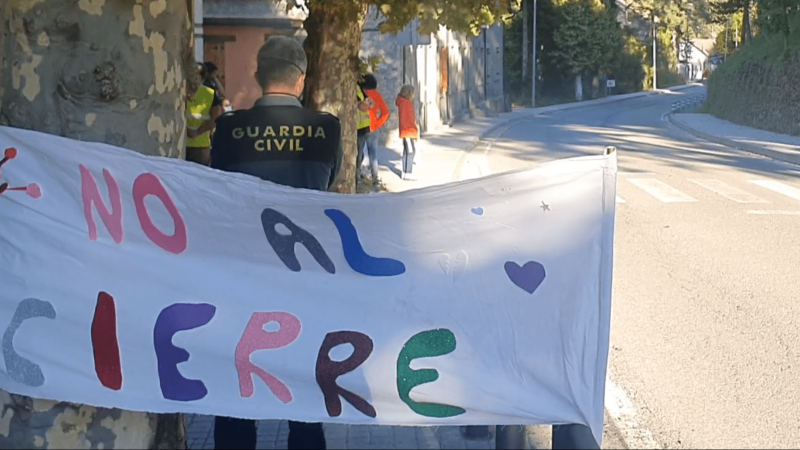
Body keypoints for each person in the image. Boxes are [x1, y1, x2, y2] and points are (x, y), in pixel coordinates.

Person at [210, 35, 341, 450]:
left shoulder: (229, 130)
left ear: (258, 76)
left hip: (241, 281)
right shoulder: (327, 129)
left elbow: (219, 190)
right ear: (300, 81)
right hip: (304, 281)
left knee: (236, 390)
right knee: (303, 392)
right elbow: (328, 185)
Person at [186, 63, 223, 166]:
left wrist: (196, 132)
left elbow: (215, 119)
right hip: (190, 144)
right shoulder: (180, 91)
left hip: (200, 145)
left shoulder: (209, 93)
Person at [360, 73, 390, 182]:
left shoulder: (360, 93)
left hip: (361, 127)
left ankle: (357, 176)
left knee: (358, 153)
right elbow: (385, 112)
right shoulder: (376, 95)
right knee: (373, 155)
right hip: (373, 128)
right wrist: (377, 124)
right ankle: (375, 178)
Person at [396, 84, 419, 181]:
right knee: (410, 151)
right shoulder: (406, 104)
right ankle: (407, 172)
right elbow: (408, 119)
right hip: (408, 131)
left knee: (408, 151)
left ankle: (406, 172)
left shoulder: (403, 102)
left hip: (407, 131)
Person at [356, 79, 374, 178]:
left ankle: (358, 172)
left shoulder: (359, 88)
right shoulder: (352, 89)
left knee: (361, 153)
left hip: (364, 126)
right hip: (357, 127)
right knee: (358, 154)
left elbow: (370, 102)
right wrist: (365, 104)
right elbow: (363, 105)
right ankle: (356, 175)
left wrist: (368, 103)